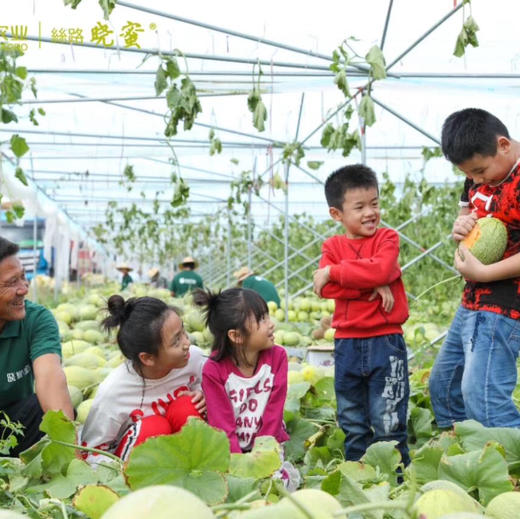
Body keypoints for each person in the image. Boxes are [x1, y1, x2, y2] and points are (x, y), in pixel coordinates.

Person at [312, 164, 410, 466]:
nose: (371, 212)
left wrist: (334, 272)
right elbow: (325, 291)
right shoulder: (332, 246)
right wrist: (370, 282)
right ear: (337, 214)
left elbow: (381, 268)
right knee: (351, 418)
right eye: (360, 207)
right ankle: (359, 473)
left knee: (389, 418)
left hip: (386, 342)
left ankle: (394, 476)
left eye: (375, 203)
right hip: (347, 344)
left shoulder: (387, 239)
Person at [429, 108, 520, 429]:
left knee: (483, 395)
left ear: (504, 145)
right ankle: (467, 458)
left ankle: (510, 466)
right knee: (444, 387)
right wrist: (461, 227)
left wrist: (483, 273)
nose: (477, 179)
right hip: (473, 298)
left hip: (507, 304)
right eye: (470, 174)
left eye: (480, 170)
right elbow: (468, 215)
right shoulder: (475, 174)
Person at [81, 295, 207, 462]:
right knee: (154, 427)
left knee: (188, 407)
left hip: (181, 456)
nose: (187, 343)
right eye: (176, 341)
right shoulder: (113, 392)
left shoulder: (195, 358)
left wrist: (205, 394)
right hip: (135, 467)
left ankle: (193, 469)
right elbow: (90, 453)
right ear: (147, 358)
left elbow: (223, 388)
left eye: (184, 331)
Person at [0, 237, 73, 456]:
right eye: (12, 282)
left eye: (23, 277)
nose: (23, 289)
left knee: (48, 414)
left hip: (13, 425)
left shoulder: (37, 319)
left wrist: (73, 456)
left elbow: (51, 381)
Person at [194, 288, 289, 453]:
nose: (271, 324)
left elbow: (273, 413)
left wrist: (261, 455)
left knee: (275, 478)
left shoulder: (278, 358)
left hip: (268, 442)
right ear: (236, 336)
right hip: (230, 446)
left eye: (267, 316)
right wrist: (238, 463)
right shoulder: (213, 370)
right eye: (262, 319)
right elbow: (221, 424)